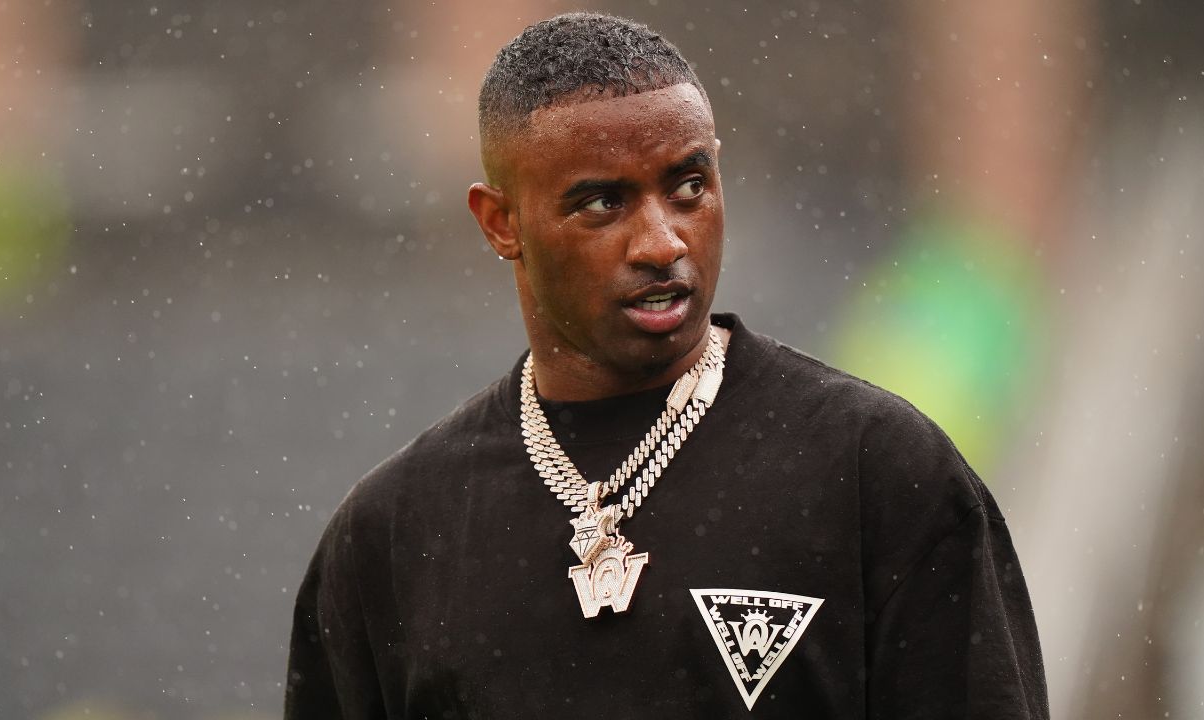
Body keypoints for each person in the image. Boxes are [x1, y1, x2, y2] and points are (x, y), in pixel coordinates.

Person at [285, 12, 1048, 719]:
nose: (662, 242)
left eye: (688, 186)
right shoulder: (390, 536)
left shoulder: (880, 470)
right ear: (501, 222)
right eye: (602, 203)